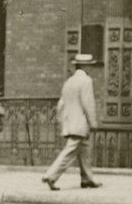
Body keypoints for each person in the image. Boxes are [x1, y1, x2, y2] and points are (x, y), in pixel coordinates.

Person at [42, 53, 103, 191]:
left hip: (70, 122)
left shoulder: (69, 82)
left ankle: (87, 179)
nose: (91, 69)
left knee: (84, 150)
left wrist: (62, 121)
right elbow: (88, 103)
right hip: (80, 123)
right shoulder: (86, 80)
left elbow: (61, 104)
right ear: (85, 66)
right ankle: (51, 175)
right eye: (90, 66)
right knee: (70, 150)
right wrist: (93, 122)